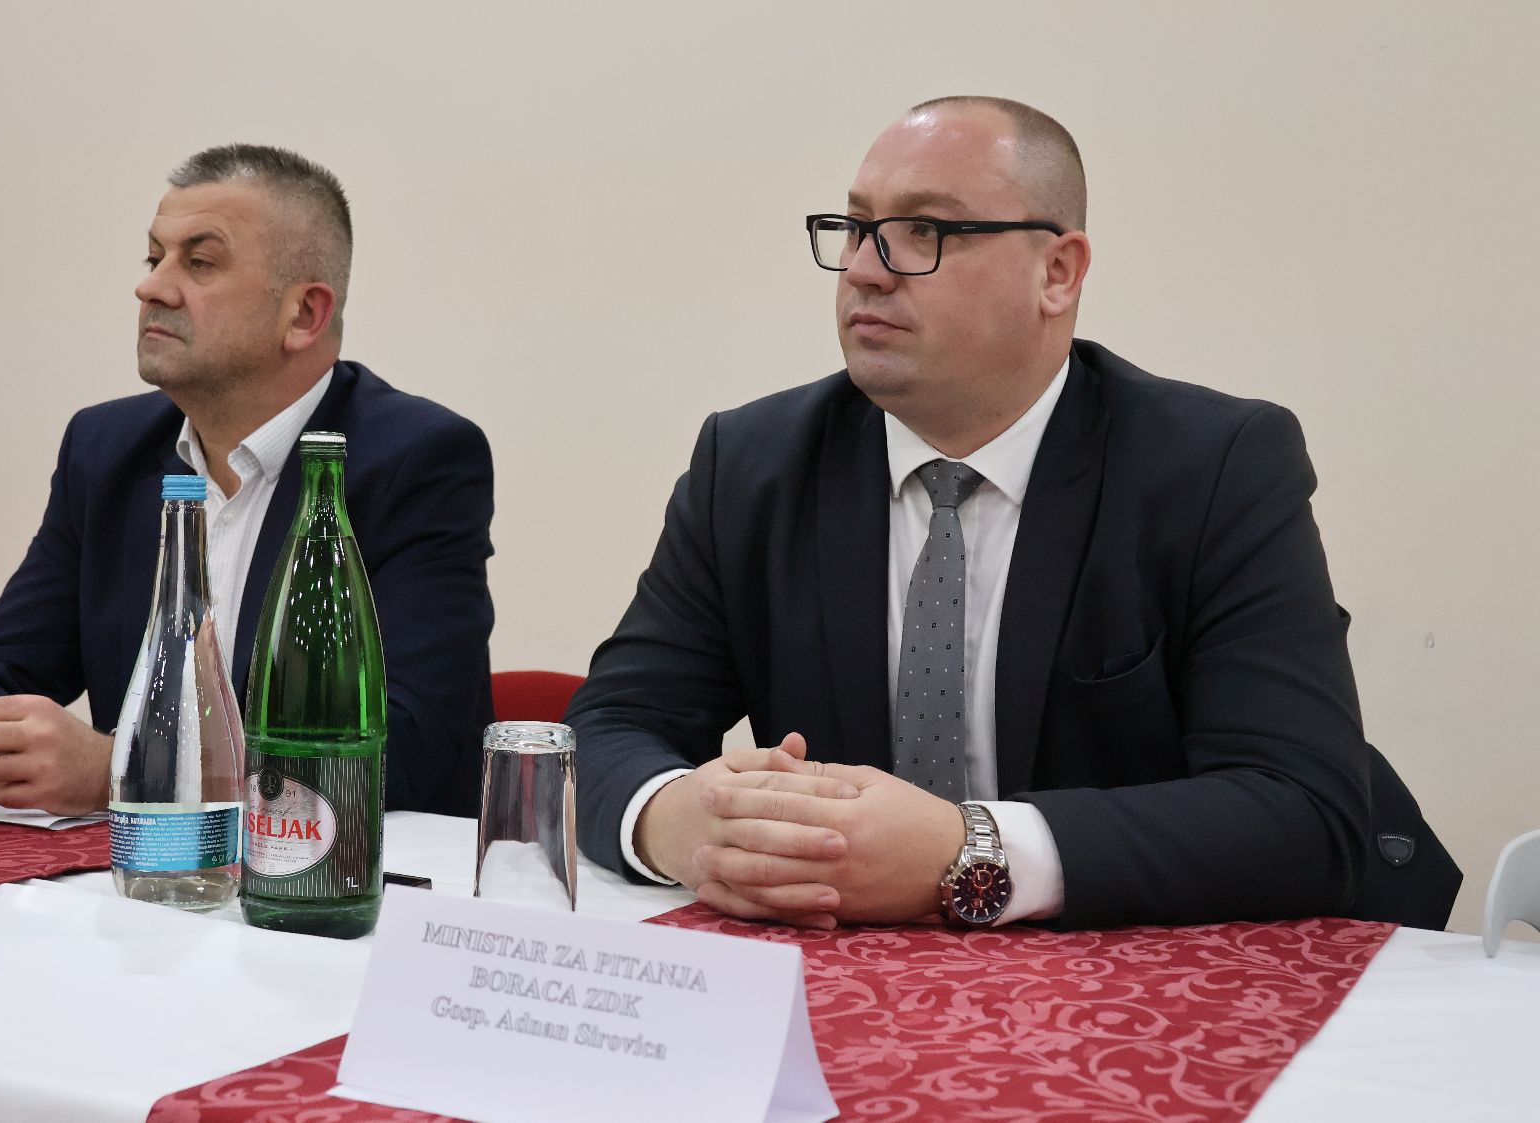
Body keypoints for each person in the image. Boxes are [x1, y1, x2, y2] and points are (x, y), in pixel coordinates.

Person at [568, 96, 1458, 931]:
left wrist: (969, 851)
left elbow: (1301, 808)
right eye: (857, 228)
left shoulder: (1215, 466)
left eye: (924, 231)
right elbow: (607, 728)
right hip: (862, 979)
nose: (867, 269)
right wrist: (676, 821)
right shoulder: (752, 464)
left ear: (1057, 272)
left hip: (1144, 979)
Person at [0, 145, 495, 818]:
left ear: (304, 315)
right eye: (153, 258)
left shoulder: (414, 460)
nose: (152, 289)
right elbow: (5, 661)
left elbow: (415, 744)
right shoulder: (105, 449)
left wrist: (128, 769)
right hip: (145, 867)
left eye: (199, 263)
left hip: (343, 869)